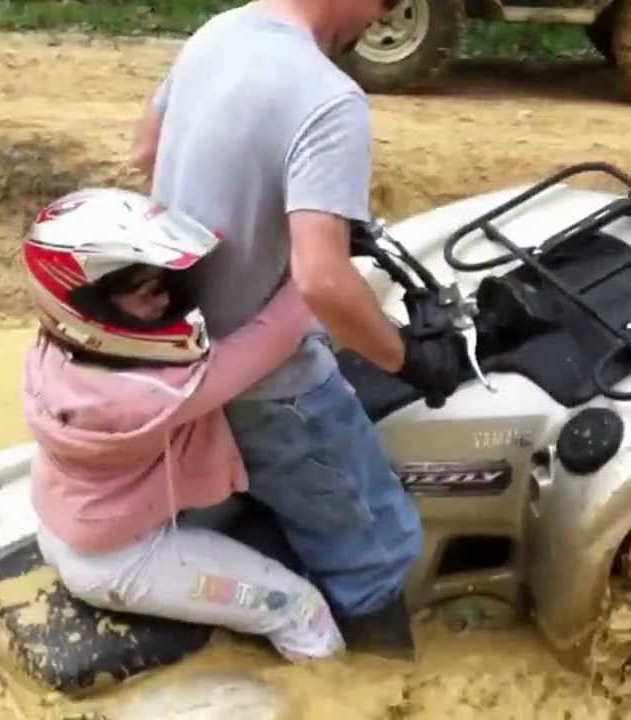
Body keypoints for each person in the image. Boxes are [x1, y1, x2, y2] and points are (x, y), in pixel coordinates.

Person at [129, 0, 466, 658]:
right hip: (272, 386)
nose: (378, 22)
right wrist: (410, 360)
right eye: (387, 6)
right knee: (376, 546)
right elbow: (323, 281)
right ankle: (385, 688)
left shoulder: (220, 31)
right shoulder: (328, 95)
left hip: (181, 354)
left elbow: (145, 149)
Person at [19, 186, 345, 663]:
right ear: (92, 308)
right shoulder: (149, 395)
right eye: (146, 292)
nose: (165, 300)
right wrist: (324, 260)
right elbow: (272, 336)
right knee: (296, 608)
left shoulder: (59, 349)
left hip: (75, 517)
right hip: (119, 560)